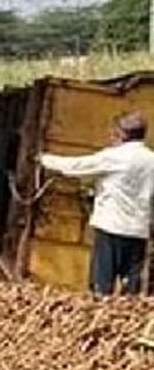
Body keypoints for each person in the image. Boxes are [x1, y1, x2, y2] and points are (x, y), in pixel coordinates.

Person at [41, 111, 154, 295]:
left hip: (111, 228)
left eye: (114, 132)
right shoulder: (151, 160)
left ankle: (99, 316)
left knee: (101, 284)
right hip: (138, 231)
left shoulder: (115, 156)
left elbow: (79, 166)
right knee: (130, 287)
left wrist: (45, 160)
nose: (111, 136)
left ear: (123, 135)